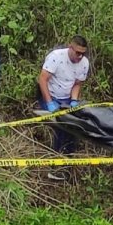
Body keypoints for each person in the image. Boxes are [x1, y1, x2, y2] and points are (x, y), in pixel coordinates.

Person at [38, 35, 91, 181]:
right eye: (77, 53)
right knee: (61, 126)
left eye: (83, 53)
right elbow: (42, 79)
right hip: (51, 94)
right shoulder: (56, 57)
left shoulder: (84, 63)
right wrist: (49, 102)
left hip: (67, 98)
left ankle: (67, 163)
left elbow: (77, 84)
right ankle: (54, 165)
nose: (80, 56)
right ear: (70, 47)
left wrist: (74, 100)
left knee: (74, 127)